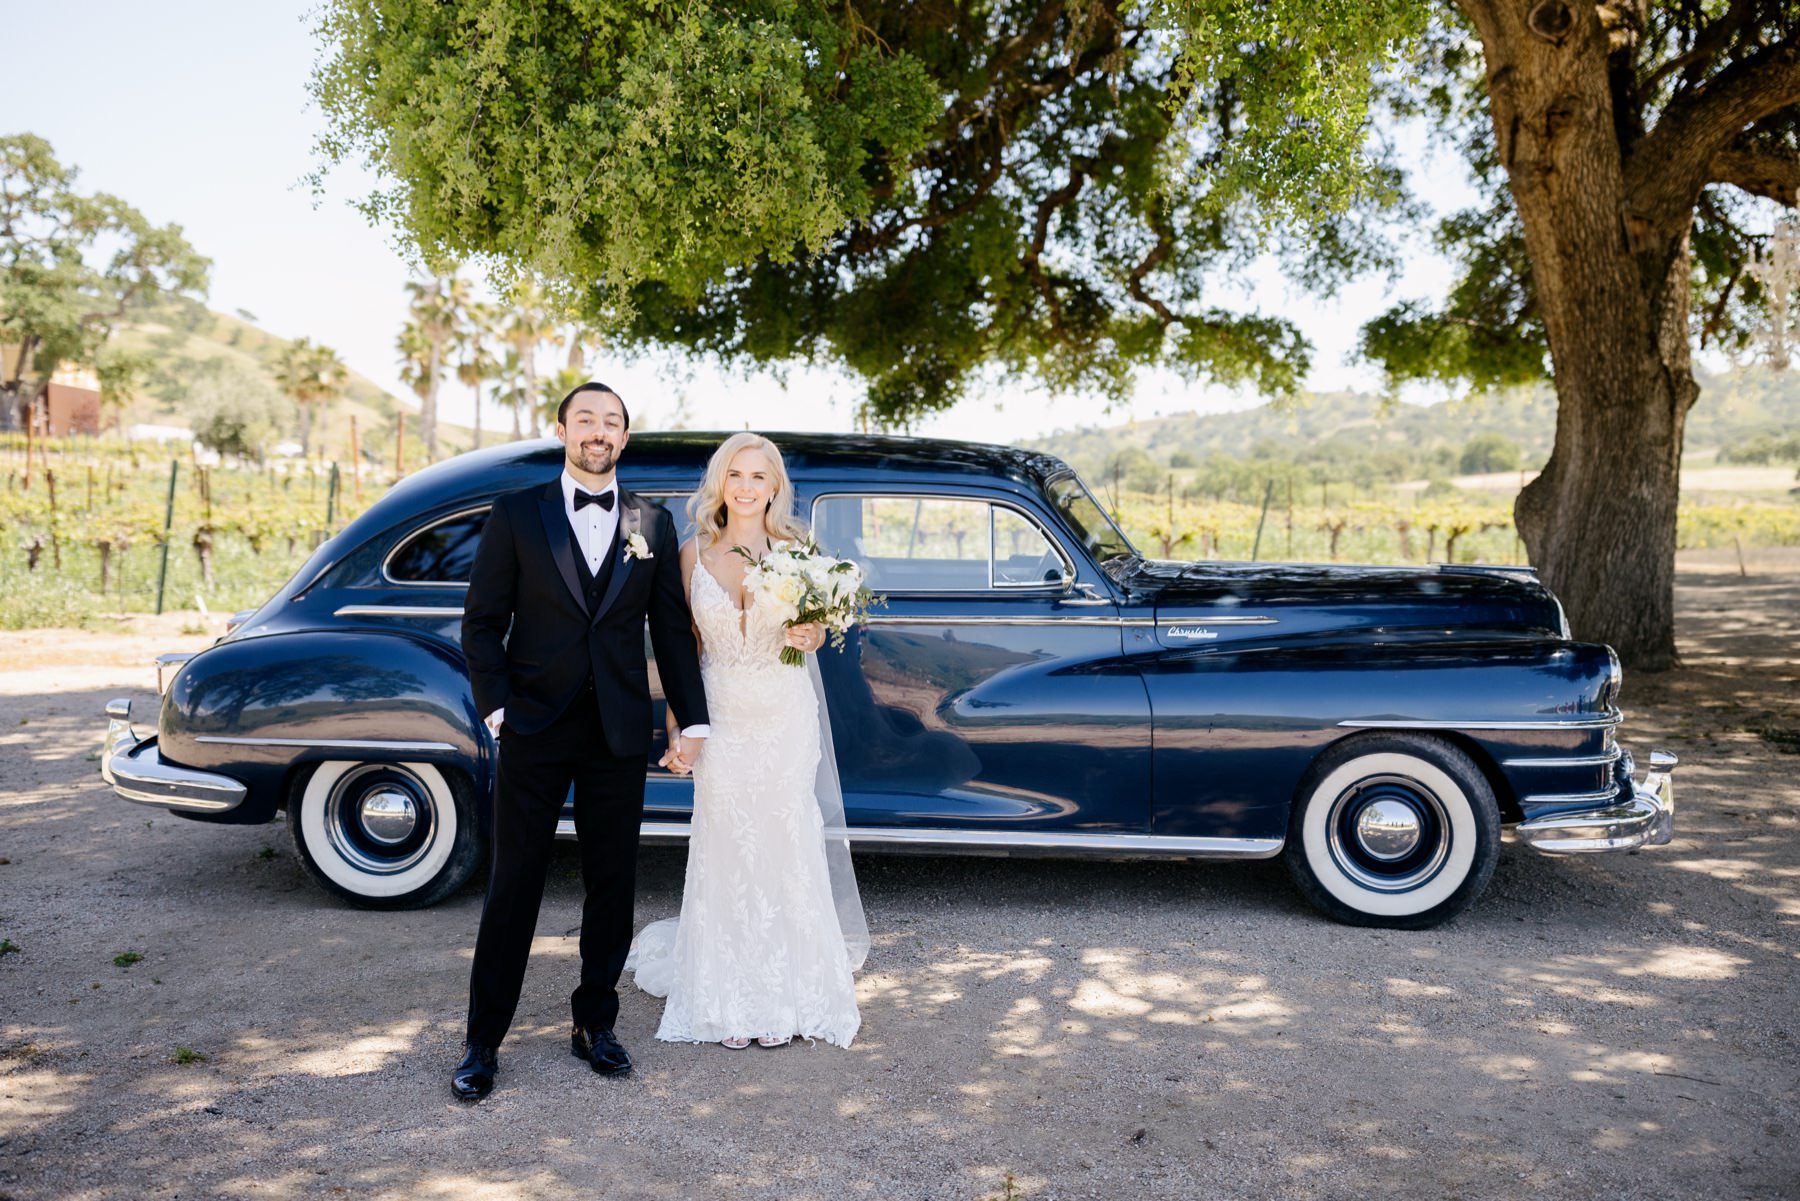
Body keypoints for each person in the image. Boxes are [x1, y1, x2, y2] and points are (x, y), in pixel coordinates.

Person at [451, 382, 711, 1102]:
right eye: (586, 419)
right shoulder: (516, 514)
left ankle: (595, 1023)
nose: (599, 431)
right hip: (532, 727)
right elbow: (481, 623)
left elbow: (670, 634)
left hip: (618, 732)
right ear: (564, 428)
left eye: (612, 422)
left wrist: (693, 720)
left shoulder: (651, 524)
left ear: (625, 438)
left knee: (611, 884)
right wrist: (498, 711)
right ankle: (482, 1039)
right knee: (514, 884)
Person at [626, 432, 868, 1049]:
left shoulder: (799, 551)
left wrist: (812, 635)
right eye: (736, 475)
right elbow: (686, 652)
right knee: (727, 840)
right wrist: (683, 729)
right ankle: (730, 997)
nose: (747, 487)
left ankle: (787, 993)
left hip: (785, 714)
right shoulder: (691, 555)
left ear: (775, 487)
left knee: (786, 838)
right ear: (720, 483)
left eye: (759, 477)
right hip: (722, 714)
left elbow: (807, 634)